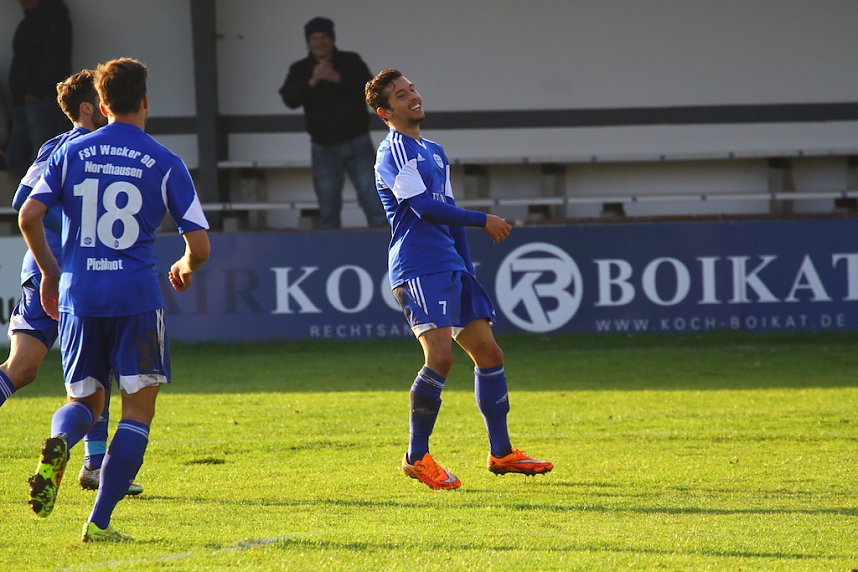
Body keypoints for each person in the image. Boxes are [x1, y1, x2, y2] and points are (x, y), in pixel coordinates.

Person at [18, 57, 210, 542]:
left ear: (101, 105)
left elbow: (28, 215)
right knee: (137, 413)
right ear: (145, 100)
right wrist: (184, 268)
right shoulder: (165, 161)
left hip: (79, 294)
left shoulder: (69, 152)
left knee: (84, 400)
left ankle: (62, 440)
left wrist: (49, 271)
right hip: (136, 296)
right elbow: (200, 246)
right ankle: (100, 522)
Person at [364, 69, 554, 490]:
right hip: (418, 267)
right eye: (401, 95)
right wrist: (482, 219)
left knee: (489, 353)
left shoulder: (433, 150)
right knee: (441, 358)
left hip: (451, 266)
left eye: (412, 88)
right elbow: (423, 208)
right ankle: (416, 458)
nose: (413, 96)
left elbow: (447, 211)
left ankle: (501, 453)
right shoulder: (392, 152)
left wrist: (467, 267)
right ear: (385, 111)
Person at [1, 69, 144, 497]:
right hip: (78, 276)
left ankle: (94, 466)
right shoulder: (94, 148)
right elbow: (28, 206)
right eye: (101, 99)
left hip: (41, 270)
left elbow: (21, 201)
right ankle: (95, 464)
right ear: (89, 107)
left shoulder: (52, 146)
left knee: (21, 369)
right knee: (95, 375)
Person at [279, 16, 385, 229]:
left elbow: (371, 91)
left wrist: (336, 77)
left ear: (332, 39)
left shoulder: (351, 61)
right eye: (314, 38)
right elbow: (289, 99)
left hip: (358, 142)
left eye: (324, 37)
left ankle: (386, 248)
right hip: (323, 146)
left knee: (374, 200)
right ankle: (332, 253)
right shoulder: (300, 69)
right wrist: (314, 80)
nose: (319, 42)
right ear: (308, 42)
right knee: (328, 205)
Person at [6, 0, 71, 180]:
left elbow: (53, 60)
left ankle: (36, 202)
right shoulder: (35, 20)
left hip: (40, 100)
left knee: (42, 157)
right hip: (25, 99)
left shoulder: (53, 20)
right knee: (17, 157)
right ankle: (26, 199)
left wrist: (36, 92)